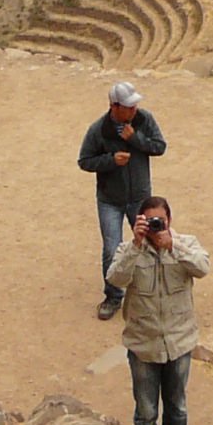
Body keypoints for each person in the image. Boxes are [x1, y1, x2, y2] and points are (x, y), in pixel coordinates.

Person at [104, 194, 209, 425]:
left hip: (179, 342)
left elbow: (203, 267)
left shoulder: (185, 243)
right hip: (143, 345)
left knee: (177, 407)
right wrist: (135, 245)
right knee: (146, 412)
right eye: (149, 221)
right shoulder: (129, 250)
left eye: (159, 221)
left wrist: (173, 246)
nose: (155, 226)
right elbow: (114, 279)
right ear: (139, 222)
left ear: (169, 220)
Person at [78, 81, 166, 320]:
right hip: (110, 200)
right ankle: (113, 296)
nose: (134, 109)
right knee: (111, 248)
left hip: (140, 197)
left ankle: (157, 292)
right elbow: (84, 161)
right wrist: (110, 161)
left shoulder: (144, 120)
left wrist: (135, 138)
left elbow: (160, 147)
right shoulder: (98, 130)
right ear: (114, 106)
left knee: (154, 240)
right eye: (129, 106)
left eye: (135, 105)